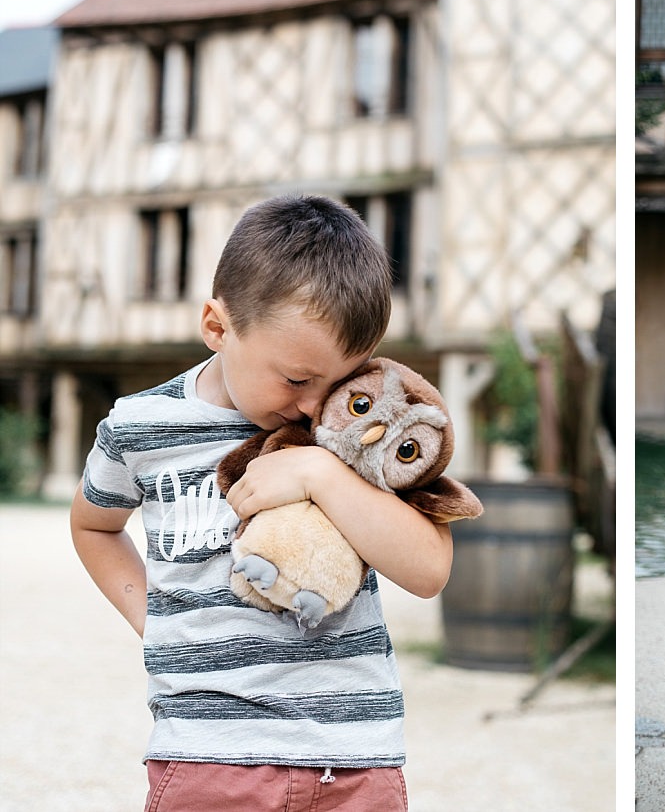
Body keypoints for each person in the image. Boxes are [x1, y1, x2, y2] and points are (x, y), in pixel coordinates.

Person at [70, 194, 451, 811]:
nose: (313, 406)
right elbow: (93, 526)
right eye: (298, 379)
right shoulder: (140, 427)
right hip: (205, 756)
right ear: (218, 327)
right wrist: (155, 621)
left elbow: (430, 571)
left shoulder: (365, 425)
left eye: (339, 381)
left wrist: (322, 475)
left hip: (352, 757)